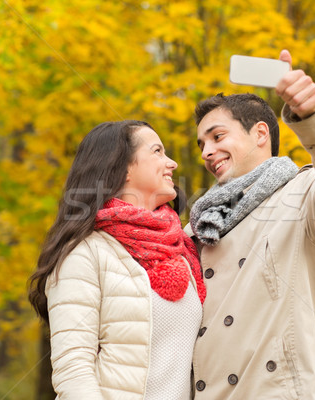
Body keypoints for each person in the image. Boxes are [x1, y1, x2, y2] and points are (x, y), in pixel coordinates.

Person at [186, 50, 315, 399]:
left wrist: (313, 117)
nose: (205, 153)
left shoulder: (304, 196)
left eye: (217, 137)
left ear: (261, 133)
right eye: (201, 144)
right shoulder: (198, 227)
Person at [28, 120, 206, 399]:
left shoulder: (182, 250)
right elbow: (73, 371)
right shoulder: (85, 254)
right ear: (122, 168)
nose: (172, 163)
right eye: (157, 151)